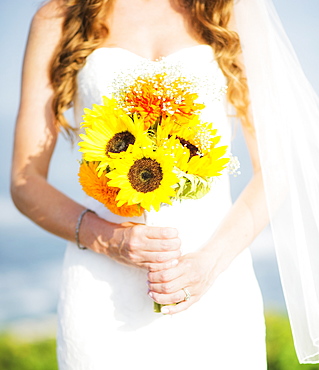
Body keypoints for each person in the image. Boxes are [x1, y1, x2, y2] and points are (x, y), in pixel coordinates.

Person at [10, 0, 319, 368]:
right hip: (102, 292)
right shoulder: (59, 17)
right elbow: (24, 181)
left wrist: (208, 264)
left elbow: (275, 168)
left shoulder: (227, 10)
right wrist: (110, 239)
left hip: (214, 278)